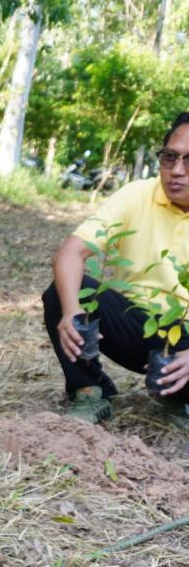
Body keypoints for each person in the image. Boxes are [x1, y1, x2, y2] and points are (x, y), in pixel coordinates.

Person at [44, 111, 189, 423]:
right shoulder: (138, 195)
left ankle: (179, 398)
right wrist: (71, 313)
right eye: (170, 157)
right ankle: (89, 390)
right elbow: (70, 254)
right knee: (66, 290)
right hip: (138, 328)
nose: (177, 171)